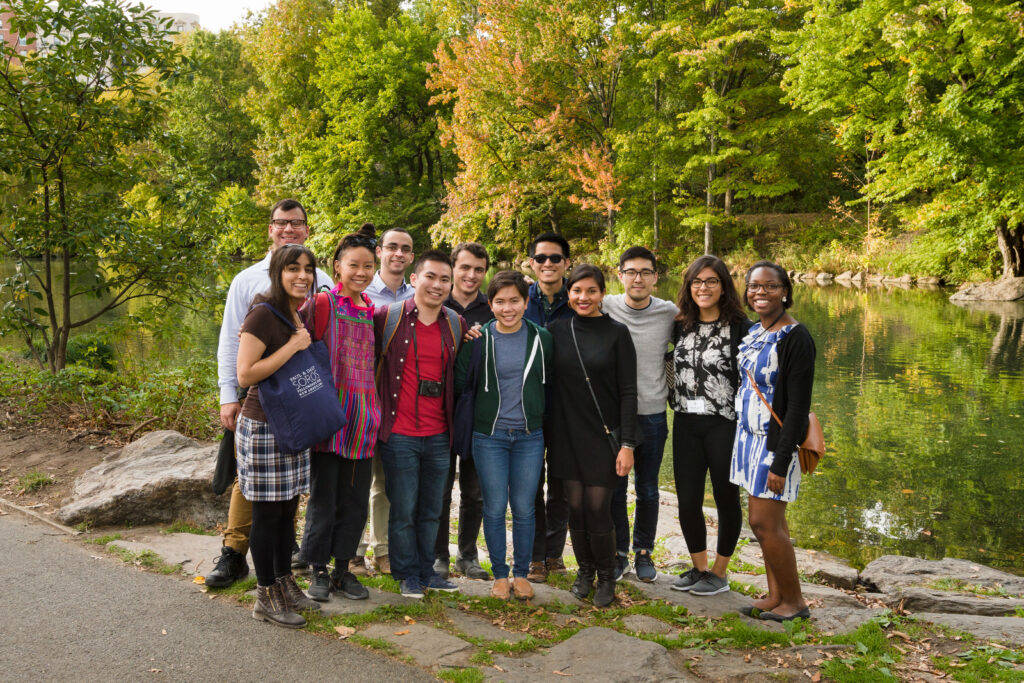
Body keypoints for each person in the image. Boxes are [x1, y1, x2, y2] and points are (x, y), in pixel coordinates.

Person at [205, 199, 333, 589]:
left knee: (286, 492)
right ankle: (234, 552)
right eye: (282, 222)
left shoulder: (321, 280)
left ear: (307, 230)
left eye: (297, 223)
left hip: (299, 400)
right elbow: (231, 343)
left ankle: (280, 562)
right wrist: (229, 394)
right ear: (270, 228)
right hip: (257, 397)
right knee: (250, 480)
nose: (289, 229)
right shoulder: (248, 281)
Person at [235, 244, 323, 628]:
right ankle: (265, 595)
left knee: (288, 510)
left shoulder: (293, 312)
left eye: (308, 269)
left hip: (290, 423)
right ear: (277, 271)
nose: (302, 276)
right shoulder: (262, 315)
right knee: (268, 516)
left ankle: (284, 582)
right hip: (263, 427)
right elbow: (245, 374)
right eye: (293, 269)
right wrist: (293, 346)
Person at [374, 250, 469, 599]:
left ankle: (427, 571)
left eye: (445, 279)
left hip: (440, 433)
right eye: (431, 277)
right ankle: (406, 573)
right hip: (399, 433)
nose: (438, 285)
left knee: (433, 509)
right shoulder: (388, 317)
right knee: (404, 508)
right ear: (414, 279)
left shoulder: (456, 324)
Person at [455, 271, 552, 600]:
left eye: (515, 301)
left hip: (529, 435)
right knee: (494, 508)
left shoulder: (541, 338)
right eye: (500, 301)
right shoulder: (478, 339)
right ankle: (499, 574)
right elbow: (460, 382)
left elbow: (550, 384)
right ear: (490, 304)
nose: (507, 308)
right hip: (489, 435)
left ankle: (521, 573)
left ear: (526, 303)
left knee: (524, 508)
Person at [298, 224, 381, 603]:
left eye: (368, 266)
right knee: (323, 498)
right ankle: (317, 568)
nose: (361, 273)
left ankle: (343, 570)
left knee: (355, 499)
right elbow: (295, 349)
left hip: (363, 422)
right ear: (337, 266)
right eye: (354, 265)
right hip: (329, 420)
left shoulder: (375, 313)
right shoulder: (322, 304)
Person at [548, 265, 638, 608]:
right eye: (576, 291)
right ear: (568, 294)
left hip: (604, 436)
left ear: (602, 293)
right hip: (566, 433)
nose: (583, 298)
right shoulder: (556, 330)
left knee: (598, 507)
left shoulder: (617, 332)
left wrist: (628, 444)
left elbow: (629, 391)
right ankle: (584, 571)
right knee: (575, 507)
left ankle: (606, 576)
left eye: (591, 291)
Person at [732, 261, 815, 622]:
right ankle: (776, 595)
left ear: (785, 291)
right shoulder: (755, 332)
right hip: (747, 440)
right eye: (754, 286)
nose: (760, 292)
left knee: (765, 523)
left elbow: (797, 407)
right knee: (767, 525)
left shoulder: (796, 337)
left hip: (773, 445)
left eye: (770, 286)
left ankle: (795, 603)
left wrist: (780, 462)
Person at [669, 255, 751, 597]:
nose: (703, 287)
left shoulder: (740, 327)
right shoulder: (679, 324)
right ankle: (699, 568)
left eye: (711, 281)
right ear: (689, 286)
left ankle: (719, 572)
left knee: (725, 496)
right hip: (686, 422)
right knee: (687, 500)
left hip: (724, 424)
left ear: (723, 286)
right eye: (697, 282)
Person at [604, 246, 678, 583]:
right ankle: (619, 553)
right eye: (631, 272)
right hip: (615, 417)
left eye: (645, 272)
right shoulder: (605, 307)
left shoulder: (669, 313)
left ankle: (644, 552)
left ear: (655, 278)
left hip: (652, 414)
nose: (638, 278)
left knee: (648, 489)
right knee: (616, 490)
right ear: (619, 275)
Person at [354, 227, 415, 577]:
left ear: (411, 256)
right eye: (392, 247)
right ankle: (351, 550)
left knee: (384, 483)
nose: (398, 254)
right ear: (379, 251)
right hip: (362, 401)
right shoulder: (362, 292)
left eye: (405, 249)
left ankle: (383, 551)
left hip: (398, 407)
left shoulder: (417, 294)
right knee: (356, 482)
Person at [434, 242, 493, 581]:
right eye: (465, 268)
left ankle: (467, 555)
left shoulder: (493, 307)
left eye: (479, 269)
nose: (471, 275)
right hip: (440, 409)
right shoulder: (437, 302)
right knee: (440, 487)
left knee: (475, 489)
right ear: (453, 268)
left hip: (479, 411)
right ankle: (438, 555)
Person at [522, 232, 575, 583]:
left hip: (568, 407)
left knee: (561, 485)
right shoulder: (520, 299)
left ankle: (554, 554)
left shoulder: (579, 297)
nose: (548, 264)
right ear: (531, 264)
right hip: (526, 406)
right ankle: (534, 555)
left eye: (555, 258)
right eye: (541, 259)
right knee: (529, 484)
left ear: (566, 263)